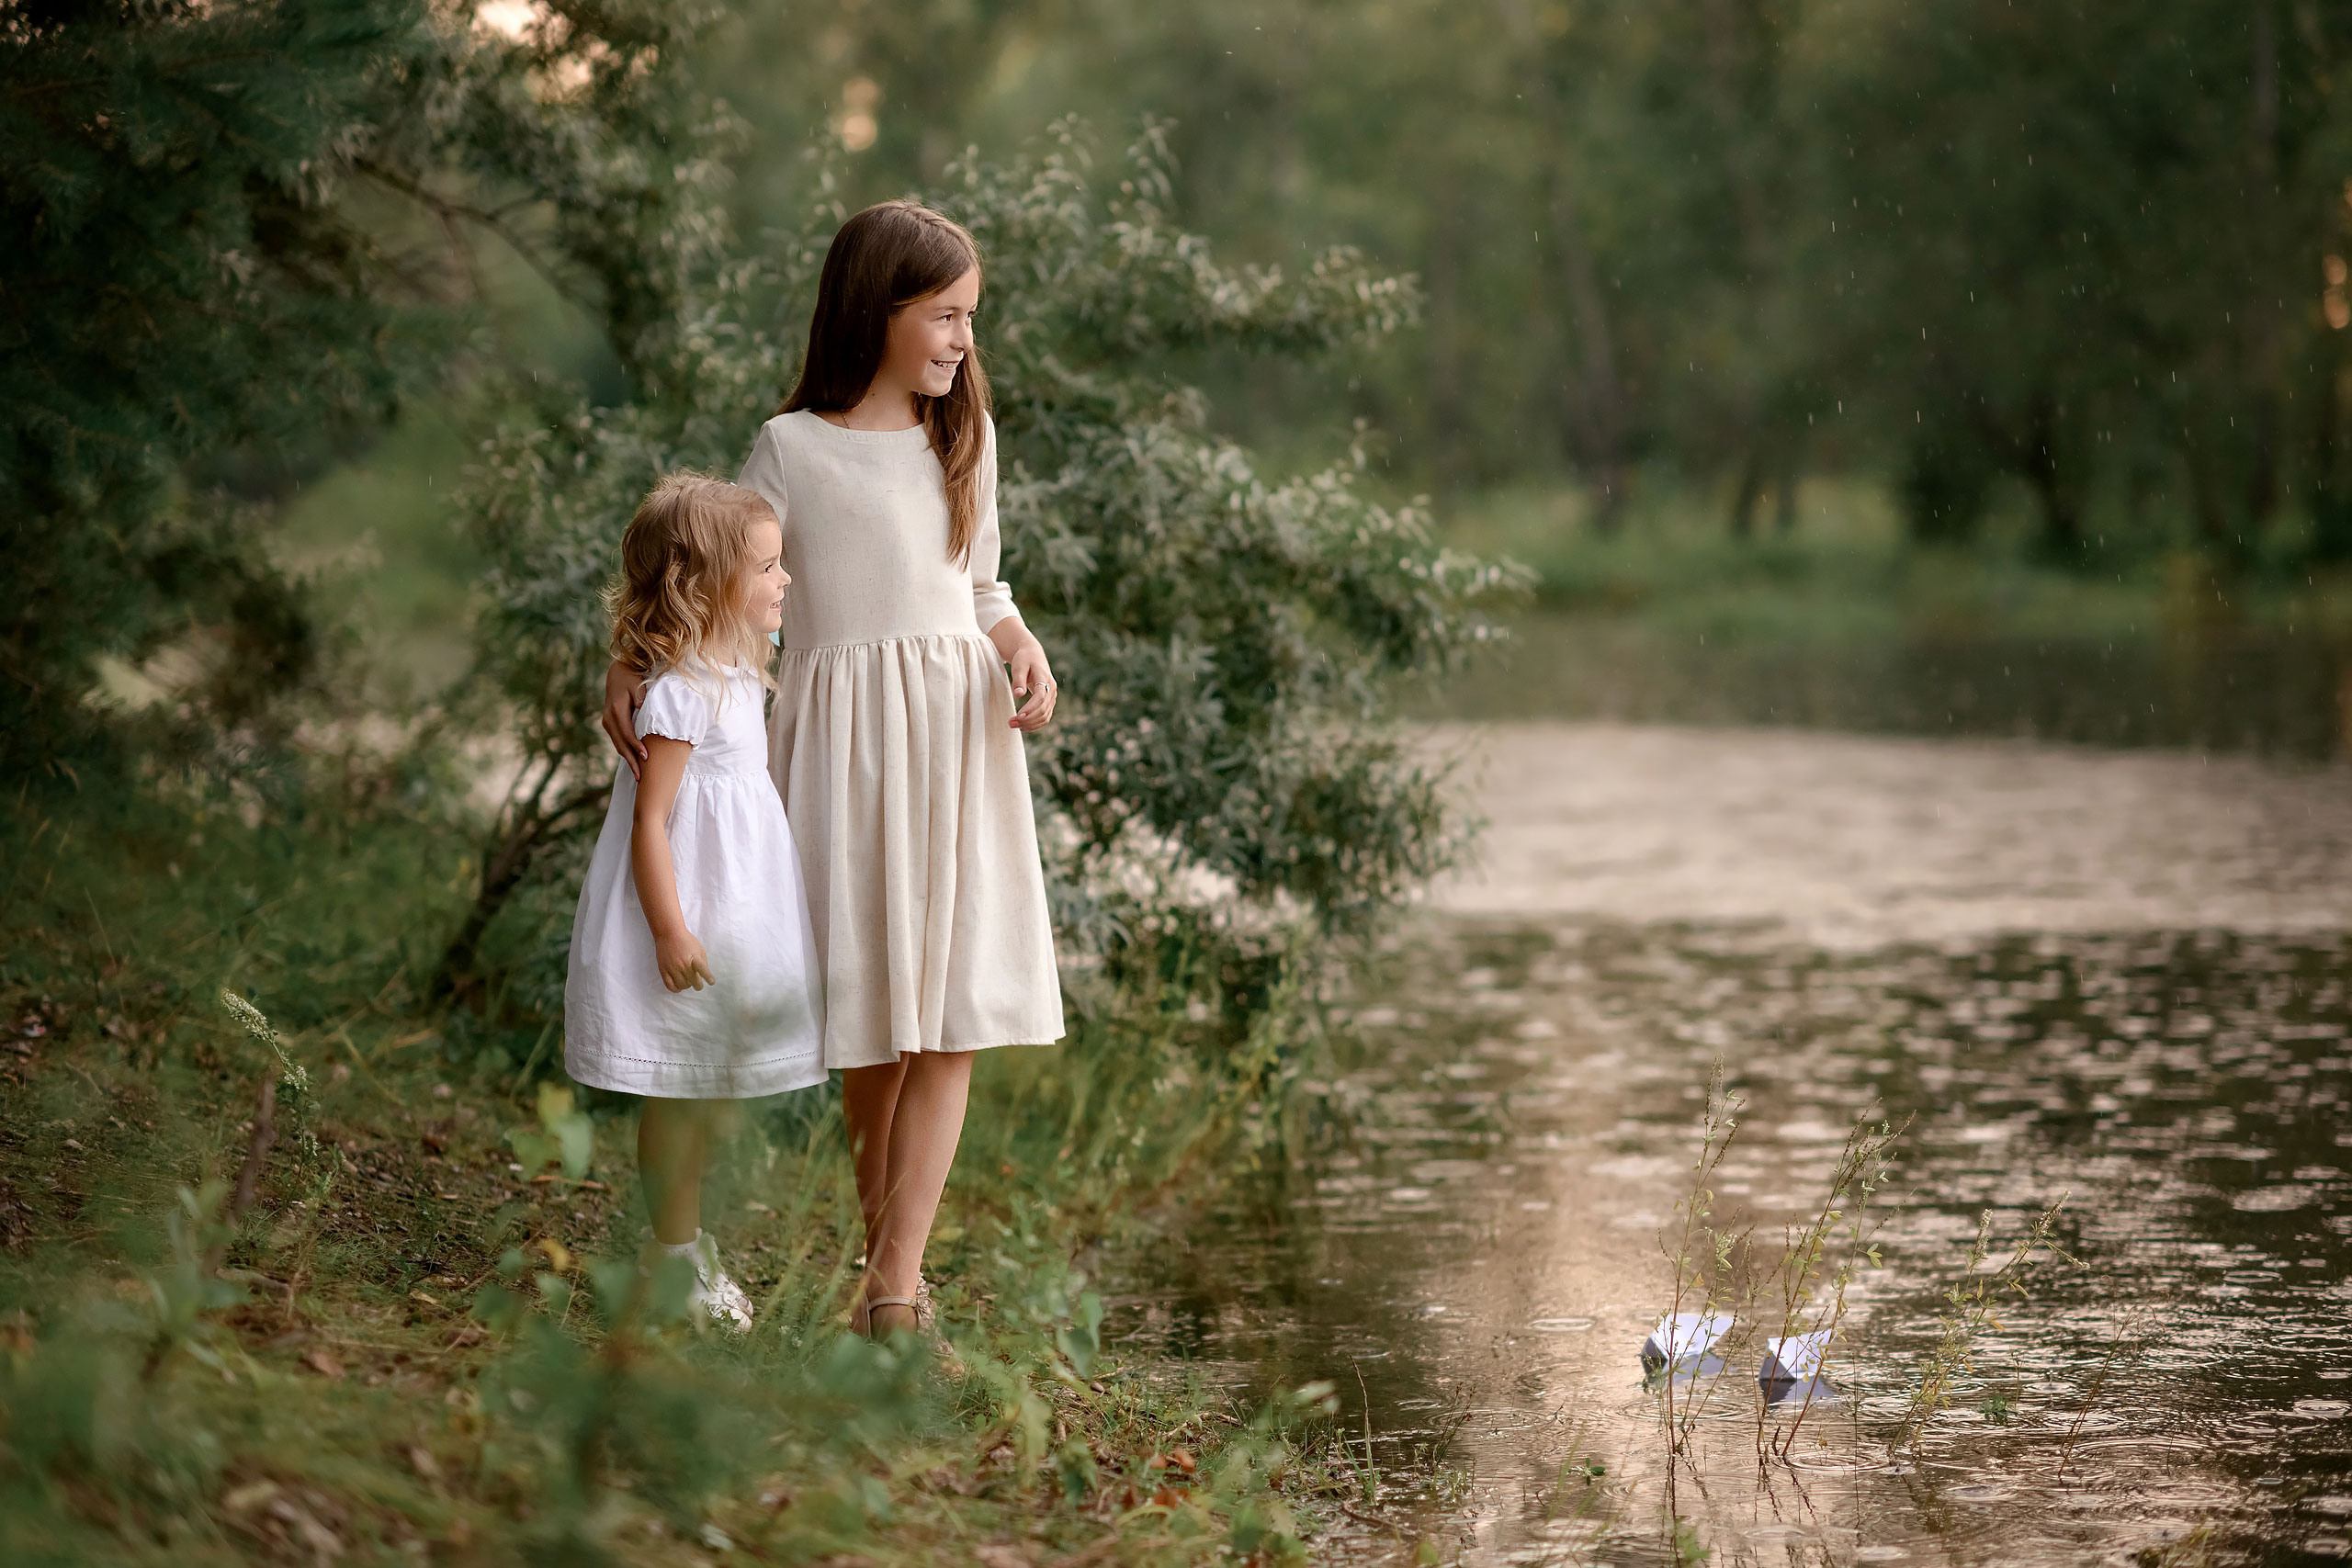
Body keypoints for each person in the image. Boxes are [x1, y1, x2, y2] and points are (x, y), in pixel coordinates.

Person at [601, 200, 1065, 1338]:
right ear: (878, 311)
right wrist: (630, 655)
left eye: (970, 318)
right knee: (874, 1016)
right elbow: (713, 573)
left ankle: (894, 1286)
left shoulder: (966, 438)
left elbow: (980, 582)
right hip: (845, 741)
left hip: (953, 735)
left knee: (950, 1013)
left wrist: (1017, 642)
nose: (962, 339)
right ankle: (855, 1252)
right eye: (944, 315)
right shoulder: (790, 447)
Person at [567, 473, 827, 1332]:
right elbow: (652, 820)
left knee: (704, 1090)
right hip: (687, 907)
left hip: (735, 901)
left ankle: (682, 1239)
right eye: (765, 568)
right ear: (705, 585)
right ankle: (674, 1257)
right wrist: (672, 929)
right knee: (677, 1089)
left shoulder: (736, 666)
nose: (784, 580)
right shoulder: (682, 690)